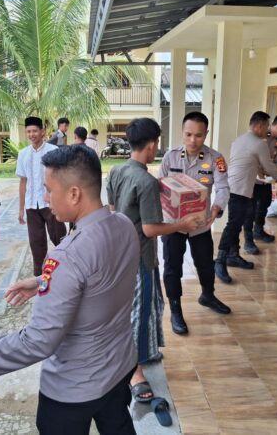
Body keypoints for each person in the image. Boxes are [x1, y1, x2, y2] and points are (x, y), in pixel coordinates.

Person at [0, 145, 140, 435]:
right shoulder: (123, 224)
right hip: (119, 366)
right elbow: (103, 277)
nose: (45, 197)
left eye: (48, 189)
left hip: (75, 386)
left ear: (74, 194)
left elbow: (39, 340)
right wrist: (44, 279)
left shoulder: (67, 256)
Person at [107, 117, 199, 402]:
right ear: (151, 144)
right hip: (140, 257)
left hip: (119, 252)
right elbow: (149, 229)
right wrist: (182, 224)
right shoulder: (146, 181)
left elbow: (112, 209)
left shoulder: (116, 170)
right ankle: (134, 370)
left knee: (143, 307)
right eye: (157, 142)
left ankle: (143, 353)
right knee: (141, 312)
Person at [159, 112, 231, 335]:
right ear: (182, 132)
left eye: (198, 135)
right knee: (172, 267)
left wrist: (216, 207)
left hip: (200, 224)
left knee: (206, 264)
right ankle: (176, 310)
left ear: (206, 134)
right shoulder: (170, 157)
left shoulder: (215, 159)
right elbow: (160, 187)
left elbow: (223, 187)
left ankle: (207, 295)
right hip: (174, 225)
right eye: (188, 134)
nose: (192, 140)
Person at [215, 111, 277, 275]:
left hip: (233, 187)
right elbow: (269, 167)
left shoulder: (239, 140)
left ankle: (233, 255)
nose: (267, 130)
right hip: (240, 189)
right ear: (260, 125)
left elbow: (248, 162)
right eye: (266, 126)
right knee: (233, 225)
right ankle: (220, 260)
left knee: (235, 223)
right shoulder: (259, 143)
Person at [17, 117, 67, 276]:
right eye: (28, 131)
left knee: (60, 238)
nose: (31, 134)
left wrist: (60, 201)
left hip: (51, 204)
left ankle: (68, 269)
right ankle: (39, 277)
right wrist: (21, 208)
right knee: (36, 243)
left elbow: (61, 178)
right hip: (31, 205)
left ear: (42, 131)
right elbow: (23, 182)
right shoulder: (23, 154)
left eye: (34, 131)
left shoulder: (53, 151)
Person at [242, 113, 277, 255]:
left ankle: (258, 231)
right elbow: (251, 156)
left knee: (265, 203)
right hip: (253, 179)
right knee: (250, 210)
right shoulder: (260, 135)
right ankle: (248, 241)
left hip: (267, 179)